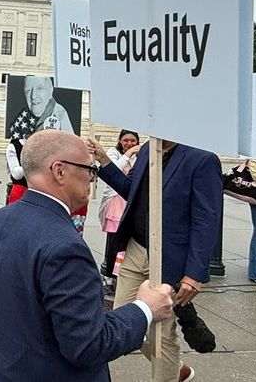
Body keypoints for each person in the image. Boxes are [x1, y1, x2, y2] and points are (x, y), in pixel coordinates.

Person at [0, 130, 173, 381]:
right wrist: (145, 308)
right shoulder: (64, 247)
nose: (92, 178)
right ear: (59, 171)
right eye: (90, 169)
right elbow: (88, 345)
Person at [89, 136, 223, 382]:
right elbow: (132, 191)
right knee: (123, 320)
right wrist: (104, 159)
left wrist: (194, 273)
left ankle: (167, 374)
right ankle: (177, 369)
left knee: (160, 335)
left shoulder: (202, 159)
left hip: (170, 258)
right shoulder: (148, 149)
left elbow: (206, 219)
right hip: (136, 249)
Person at [6, 76, 79, 224]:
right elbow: (16, 173)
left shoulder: (60, 114)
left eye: (39, 89)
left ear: (50, 91)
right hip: (21, 194)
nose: (33, 96)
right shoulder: (15, 146)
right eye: (28, 90)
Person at [98, 129, 141, 294]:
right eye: (126, 140)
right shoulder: (113, 153)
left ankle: (120, 275)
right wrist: (128, 154)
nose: (129, 144)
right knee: (114, 243)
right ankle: (108, 277)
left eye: (133, 141)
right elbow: (112, 172)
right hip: (115, 203)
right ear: (119, 141)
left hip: (131, 204)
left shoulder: (140, 157)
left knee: (127, 245)